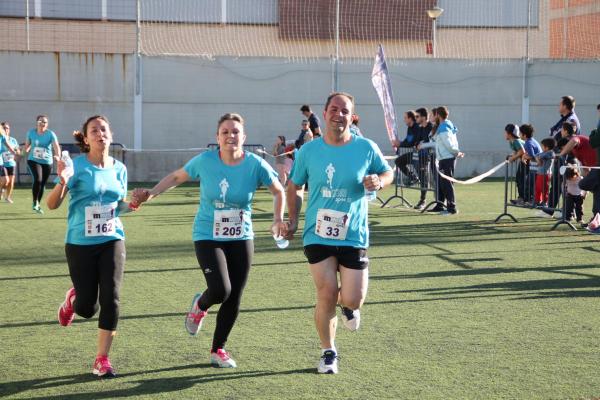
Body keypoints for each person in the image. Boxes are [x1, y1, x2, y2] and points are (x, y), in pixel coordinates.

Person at [133, 113, 286, 369]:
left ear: (243, 137)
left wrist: (277, 219)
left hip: (241, 235)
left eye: (235, 131)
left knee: (234, 296)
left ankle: (218, 350)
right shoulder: (205, 161)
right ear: (217, 137)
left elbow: (278, 190)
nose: (230, 136)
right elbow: (176, 177)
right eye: (225, 132)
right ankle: (200, 305)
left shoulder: (255, 164)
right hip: (207, 234)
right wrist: (151, 194)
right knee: (220, 290)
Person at [285, 92, 393, 374]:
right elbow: (294, 185)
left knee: (352, 298)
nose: (338, 114)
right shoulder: (308, 151)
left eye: (344, 110)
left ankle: (350, 307)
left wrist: (378, 181)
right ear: (324, 112)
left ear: (351, 115)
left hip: (353, 233)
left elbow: (388, 172)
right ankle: (328, 352)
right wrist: (293, 219)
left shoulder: (366, 147)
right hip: (317, 232)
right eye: (334, 109)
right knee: (326, 293)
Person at [46, 115, 137, 378]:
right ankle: (74, 299)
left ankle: (102, 359)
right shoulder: (75, 167)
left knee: (112, 298)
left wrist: (132, 204)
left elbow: (117, 207)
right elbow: (52, 204)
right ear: (86, 139)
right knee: (88, 308)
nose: (100, 133)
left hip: (112, 239)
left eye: (104, 129)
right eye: (94, 130)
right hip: (80, 243)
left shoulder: (119, 168)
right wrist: (63, 180)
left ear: (110, 134)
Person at [418, 106, 464, 215]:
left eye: (434, 114)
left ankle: (451, 208)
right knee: (443, 183)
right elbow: (442, 143)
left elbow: (448, 143)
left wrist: (456, 152)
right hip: (443, 158)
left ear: (438, 115)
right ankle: (441, 205)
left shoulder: (444, 127)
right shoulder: (443, 126)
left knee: (447, 183)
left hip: (447, 158)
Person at [557, 122, 599, 222]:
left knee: (582, 184)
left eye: (562, 148)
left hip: (598, 167)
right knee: (596, 192)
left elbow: (574, 141)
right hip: (595, 168)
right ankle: (596, 219)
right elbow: (586, 169)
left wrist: (561, 154)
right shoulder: (576, 152)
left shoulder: (574, 139)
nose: (564, 150)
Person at [25, 114, 61, 213]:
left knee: (42, 184)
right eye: (41, 121)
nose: (43, 123)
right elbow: (27, 146)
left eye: (45, 122)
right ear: (37, 122)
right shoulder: (31, 133)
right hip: (33, 160)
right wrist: (24, 150)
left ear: (47, 124)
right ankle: (34, 201)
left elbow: (56, 146)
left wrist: (58, 156)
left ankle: (37, 204)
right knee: (38, 179)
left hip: (47, 162)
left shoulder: (50, 134)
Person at [413, 107, 434, 210]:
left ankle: (423, 200)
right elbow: (416, 141)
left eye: (417, 116)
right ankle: (413, 177)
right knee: (400, 160)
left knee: (425, 178)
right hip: (419, 156)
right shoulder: (420, 128)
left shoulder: (432, 127)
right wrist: (419, 143)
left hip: (429, 157)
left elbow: (432, 142)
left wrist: (423, 144)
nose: (415, 118)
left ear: (424, 117)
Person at [392, 110, 420, 185]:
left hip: (420, 154)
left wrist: (400, 144)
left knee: (423, 178)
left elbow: (412, 142)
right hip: (415, 154)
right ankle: (413, 177)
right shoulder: (409, 128)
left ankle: (418, 180)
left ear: (410, 119)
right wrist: (399, 143)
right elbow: (407, 141)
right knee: (398, 161)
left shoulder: (417, 127)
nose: (404, 120)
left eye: (405, 118)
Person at [519, 124, 542, 205]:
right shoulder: (532, 141)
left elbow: (532, 155)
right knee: (531, 183)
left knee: (530, 184)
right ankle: (530, 199)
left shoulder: (528, 143)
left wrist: (524, 156)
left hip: (536, 168)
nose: (519, 135)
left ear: (524, 135)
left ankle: (531, 200)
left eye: (520, 133)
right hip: (536, 167)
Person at [504, 124, 526, 205]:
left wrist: (513, 158)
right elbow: (516, 151)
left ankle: (523, 199)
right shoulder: (511, 142)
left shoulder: (516, 141)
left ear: (509, 134)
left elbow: (522, 151)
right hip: (523, 162)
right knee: (519, 179)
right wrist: (514, 156)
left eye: (505, 132)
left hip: (527, 162)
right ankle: (521, 198)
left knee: (522, 180)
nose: (504, 134)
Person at [0, 122, 21, 203]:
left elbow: (17, 150)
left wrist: (17, 153)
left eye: (7, 128)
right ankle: (1, 190)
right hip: (2, 163)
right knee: (6, 181)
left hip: (11, 163)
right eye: (4, 128)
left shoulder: (13, 140)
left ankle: (8, 197)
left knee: (11, 181)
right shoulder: (1, 138)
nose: (6, 129)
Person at [533, 138, 556, 208]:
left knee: (544, 189)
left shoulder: (550, 153)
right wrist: (538, 159)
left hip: (546, 174)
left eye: (542, 146)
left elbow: (540, 156)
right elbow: (536, 155)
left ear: (547, 147)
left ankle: (545, 202)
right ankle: (537, 201)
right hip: (540, 174)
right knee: (537, 188)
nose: (541, 147)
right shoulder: (544, 152)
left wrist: (538, 159)